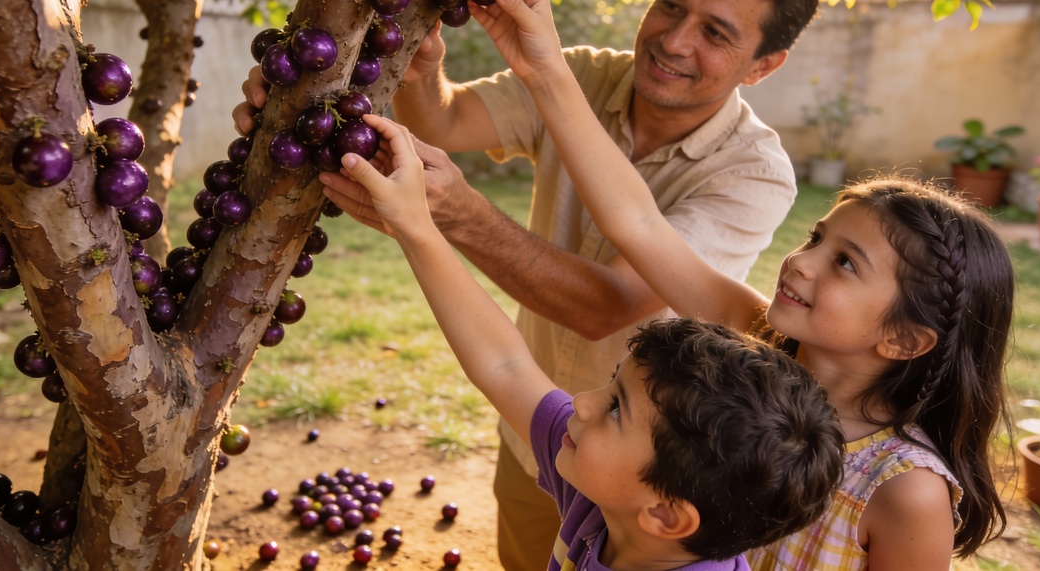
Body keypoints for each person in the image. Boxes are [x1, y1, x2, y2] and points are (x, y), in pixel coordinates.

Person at [234, 0, 820, 566]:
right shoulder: (587, 77)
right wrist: (420, 68)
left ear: (764, 64)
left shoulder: (753, 173)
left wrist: (452, 214)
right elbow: (446, 118)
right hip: (539, 434)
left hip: (655, 458)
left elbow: (604, 306)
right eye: (671, 6)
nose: (674, 40)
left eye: (715, 33)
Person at [466, 0, 1012, 569]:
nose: (800, 264)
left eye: (846, 264)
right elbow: (639, 224)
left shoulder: (904, 489)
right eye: (815, 239)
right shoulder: (757, 340)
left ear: (905, 338)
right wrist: (546, 70)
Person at [336, 114, 845, 570]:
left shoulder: (601, 484)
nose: (581, 402)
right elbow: (506, 365)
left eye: (617, 410)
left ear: (666, 514)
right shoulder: (603, 497)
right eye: (611, 388)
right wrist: (415, 226)